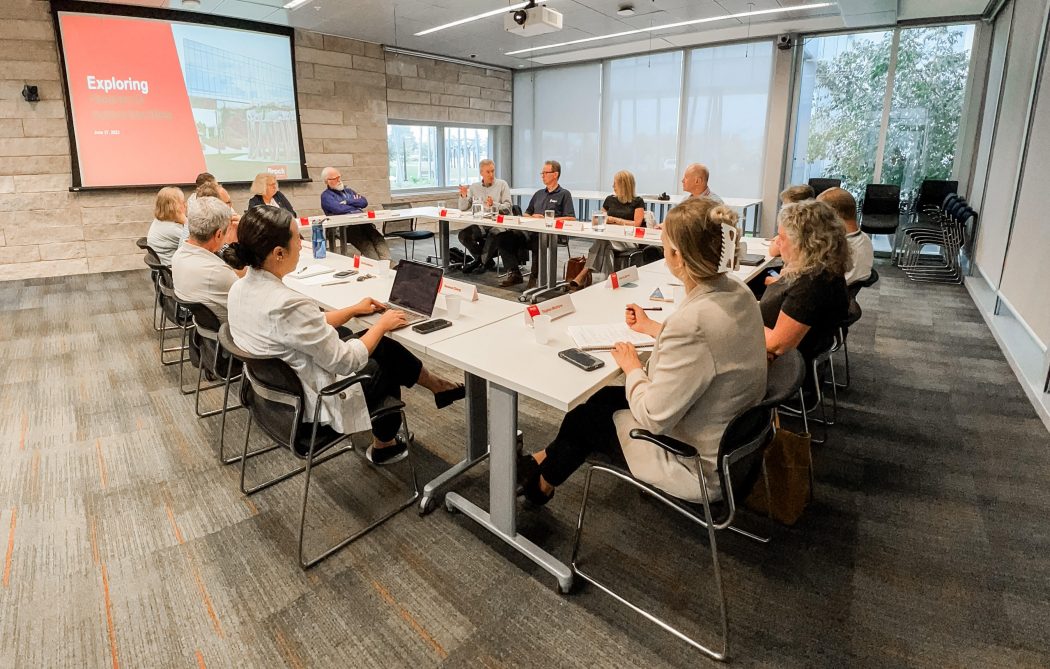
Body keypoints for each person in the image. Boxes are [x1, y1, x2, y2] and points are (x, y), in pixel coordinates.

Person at [518, 197, 767, 506]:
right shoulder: (737, 291)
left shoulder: (693, 323)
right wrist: (653, 328)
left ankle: (540, 484)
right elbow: (712, 346)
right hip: (724, 432)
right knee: (599, 400)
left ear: (677, 256)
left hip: (693, 459)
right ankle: (542, 461)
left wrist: (632, 366)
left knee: (587, 420)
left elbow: (653, 418)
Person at [223, 207, 465, 465]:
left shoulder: (240, 289)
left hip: (273, 399)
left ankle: (438, 388)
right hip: (314, 403)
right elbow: (345, 362)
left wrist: (351, 311)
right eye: (297, 238)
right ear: (278, 253)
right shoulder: (286, 303)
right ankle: (386, 443)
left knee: (364, 338)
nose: (302, 243)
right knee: (385, 355)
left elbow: (297, 328)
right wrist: (381, 325)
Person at [761, 200, 851, 363]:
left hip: (781, 364)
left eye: (782, 237)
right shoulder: (823, 270)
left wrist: (745, 322)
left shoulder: (811, 286)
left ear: (804, 243)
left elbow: (777, 344)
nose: (778, 243)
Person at [497, 159, 575, 288]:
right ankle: (515, 273)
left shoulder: (564, 194)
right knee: (504, 237)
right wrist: (533, 217)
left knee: (537, 240)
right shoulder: (539, 194)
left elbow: (571, 218)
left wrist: (548, 220)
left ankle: (535, 278)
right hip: (531, 231)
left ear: (555, 174)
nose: (542, 175)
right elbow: (526, 214)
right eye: (542, 173)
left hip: (552, 235)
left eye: (546, 172)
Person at [569, 170, 645, 291]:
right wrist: (600, 219)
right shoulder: (610, 199)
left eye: (615, 184)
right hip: (609, 238)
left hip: (628, 239)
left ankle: (584, 273)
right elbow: (597, 219)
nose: (613, 186)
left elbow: (637, 224)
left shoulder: (637, 201)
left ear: (624, 185)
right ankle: (609, 281)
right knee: (605, 243)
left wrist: (614, 220)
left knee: (603, 242)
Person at [171, 196, 242, 322]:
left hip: (204, 333)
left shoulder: (179, 255)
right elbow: (250, 292)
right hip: (233, 333)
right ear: (219, 234)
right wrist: (239, 244)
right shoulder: (218, 272)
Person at [319, 166, 390, 260]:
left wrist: (347, 201)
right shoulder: (326, 196)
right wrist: (354, 204)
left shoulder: (349, 191)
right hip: (345, 227)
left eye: (339, 177)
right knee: (365, 242)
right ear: (327, 181)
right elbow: (338, 209)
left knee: (377, 237)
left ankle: (387, 263)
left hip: (361, 222)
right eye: (335, 178)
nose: (339, 180)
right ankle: (378, 264)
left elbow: (363, 202)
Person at [457, 159, 512, 274]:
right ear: (481, 173)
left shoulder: (502, 184)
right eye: (488, 172)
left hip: (500, 224)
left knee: (494, 233)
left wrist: (494, 205)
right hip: (482, 224)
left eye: (493, 171)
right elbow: (463, 207)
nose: (491, 174)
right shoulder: (474, 187)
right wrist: (463, 195)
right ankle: (483, 260)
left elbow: (508, 207)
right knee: (463, 235)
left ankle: (481, 262)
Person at [816, 187, 873, 286]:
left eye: (821, 215)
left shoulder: (843, 247)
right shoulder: (864, 239)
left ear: (834, 214)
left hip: (829, 294)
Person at [146, 186, 187, 265]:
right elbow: (198, 244)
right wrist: (186, 221)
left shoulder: (159, 221)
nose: (186, 205)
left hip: (166, 267)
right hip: (174, 270)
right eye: (183, 202)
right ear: (174, 207)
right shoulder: (172, 229)